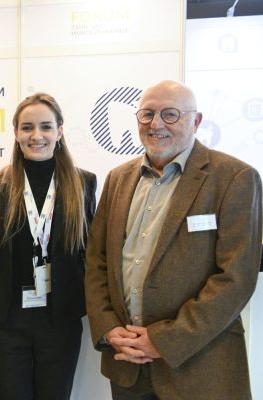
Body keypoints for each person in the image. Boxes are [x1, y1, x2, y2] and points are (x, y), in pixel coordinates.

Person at [85, 80, 262, 399]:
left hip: (199, 369)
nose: (156, 124)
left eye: (170, 114)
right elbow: (97, 262)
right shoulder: (117, 180)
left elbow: (236, 278)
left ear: (196, 121)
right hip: (128, 368)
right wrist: (109, 328)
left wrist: (164, 339)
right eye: (147, 114)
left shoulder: (234, 178)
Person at [0, 93, 96, 399]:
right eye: (27, 127)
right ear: (15, 133)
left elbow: (90, 249)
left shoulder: (83, 183)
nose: (36, 136)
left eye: (46, 127)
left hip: (60, 318)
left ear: (60, 131)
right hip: (8, 320)